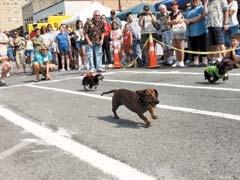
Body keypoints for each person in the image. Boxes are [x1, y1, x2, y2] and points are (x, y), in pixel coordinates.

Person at [184, 0, 208, 67]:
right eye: (193, 1)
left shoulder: (201, 8)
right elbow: (185, 18)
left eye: (196, 0)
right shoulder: (188, 10)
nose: (194, 2)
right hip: (191, 32)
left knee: (202, 46)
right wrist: (185, 21)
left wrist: (189, 21)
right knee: (194, 46)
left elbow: (201, 17)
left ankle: (204, 61)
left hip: (200, 30)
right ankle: (196, 61)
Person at [167, 0, 186, 67]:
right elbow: (168, 22)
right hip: (173, 30)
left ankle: (181, 61)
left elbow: (176, 20)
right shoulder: (170, 14)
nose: (174, 6)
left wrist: (172, 22)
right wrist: (173, 21)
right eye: (172, 5)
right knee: (176, 46)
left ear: (177, 6)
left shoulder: (180, 12)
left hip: (179, 29)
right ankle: (178, 61)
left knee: (180, 46)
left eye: (175, 5)